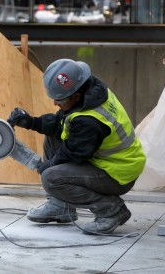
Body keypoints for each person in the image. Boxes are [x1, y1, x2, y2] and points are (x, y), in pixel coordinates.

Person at [7, 58, 146, 234]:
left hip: (117, 173)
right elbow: (61, 122)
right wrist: (31, 122)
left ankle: (111, 211)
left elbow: (74, 152)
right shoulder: (90, 92)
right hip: (105, 160)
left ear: (76, 96)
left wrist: (48, 166)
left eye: (60, 100)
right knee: (52, 138)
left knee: (51, 178)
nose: (55, 104)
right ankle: (61, 205)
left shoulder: (90, 120)